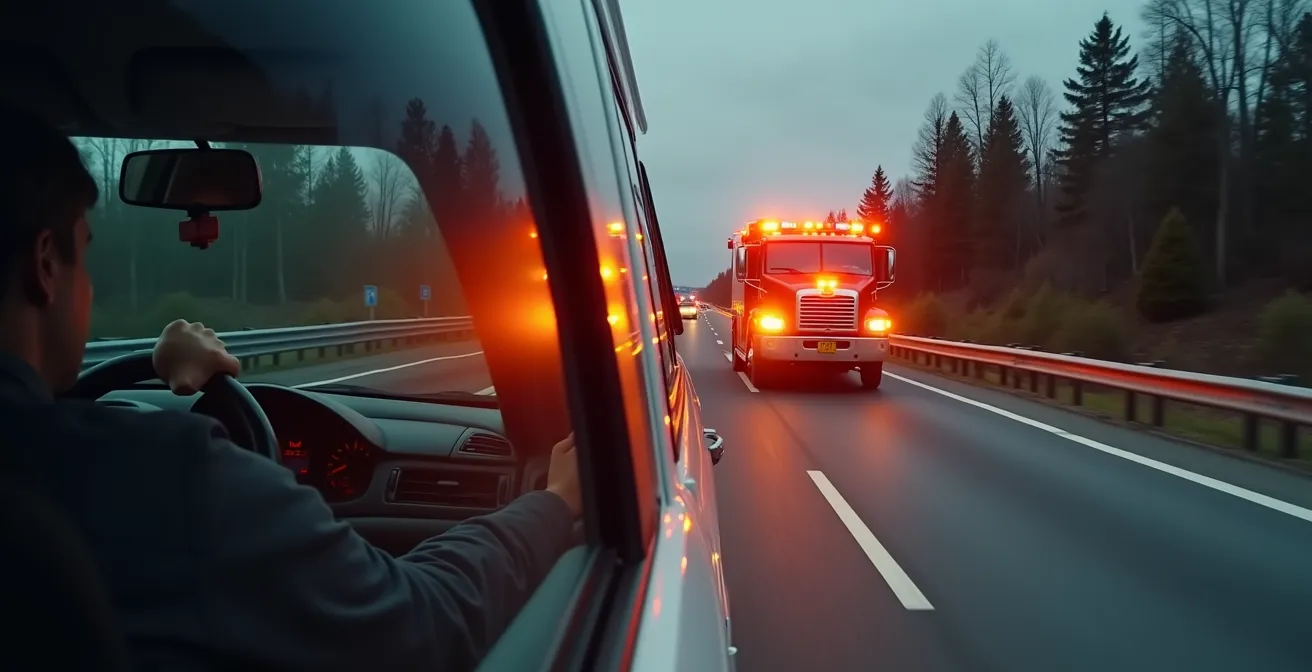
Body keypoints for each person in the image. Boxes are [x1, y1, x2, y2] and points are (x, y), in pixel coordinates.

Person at [0, 102, 582, 671]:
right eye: (86, 260)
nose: (89, 290)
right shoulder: (173, 477)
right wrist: (553, 504)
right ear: (45, 265)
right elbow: (420, 623)